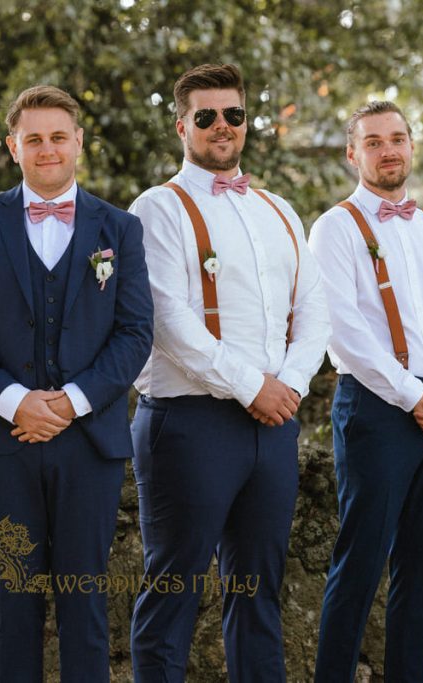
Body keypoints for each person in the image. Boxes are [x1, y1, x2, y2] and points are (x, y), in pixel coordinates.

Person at [127, 63, 331, 683]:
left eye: (233, 115)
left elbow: (313, 313)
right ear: (182, 125)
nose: (222, 126)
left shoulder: (281, 212)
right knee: (173, 592)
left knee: (258, 593)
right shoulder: (157, 208)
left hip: (273, 427)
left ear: (247, 122)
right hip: (189, 424)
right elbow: (169, 321)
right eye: (207, 116)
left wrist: (290, 386)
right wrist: (255, 387)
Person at [0, 84, 153, 682]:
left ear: (79, 142)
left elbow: (136, 333)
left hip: (90, 443)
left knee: (84, 599)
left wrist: (72, 401)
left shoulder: (121, 228)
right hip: (3, 441)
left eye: (58, 137)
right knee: (15, 598)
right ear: (14, 147)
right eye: (33, 139)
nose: (47, 149)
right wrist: (16, 401)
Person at [308, 101, 423, 682]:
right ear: (353, 153)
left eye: (397, 139)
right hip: (376, 409)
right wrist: (413, 395)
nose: (388, 150)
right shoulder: (334, 227)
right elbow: (343, 332)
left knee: (422, 566)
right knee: (359, 565)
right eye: (374, 141)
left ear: (411, 146)